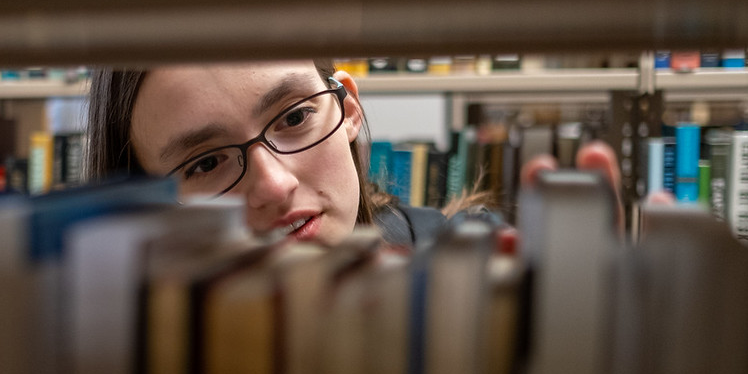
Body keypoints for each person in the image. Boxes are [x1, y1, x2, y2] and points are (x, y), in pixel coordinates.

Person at [88, 58, 634, 248]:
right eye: (205, 164)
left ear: (348, 107)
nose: (275, 186)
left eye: (295, 117)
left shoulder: (478, 274)